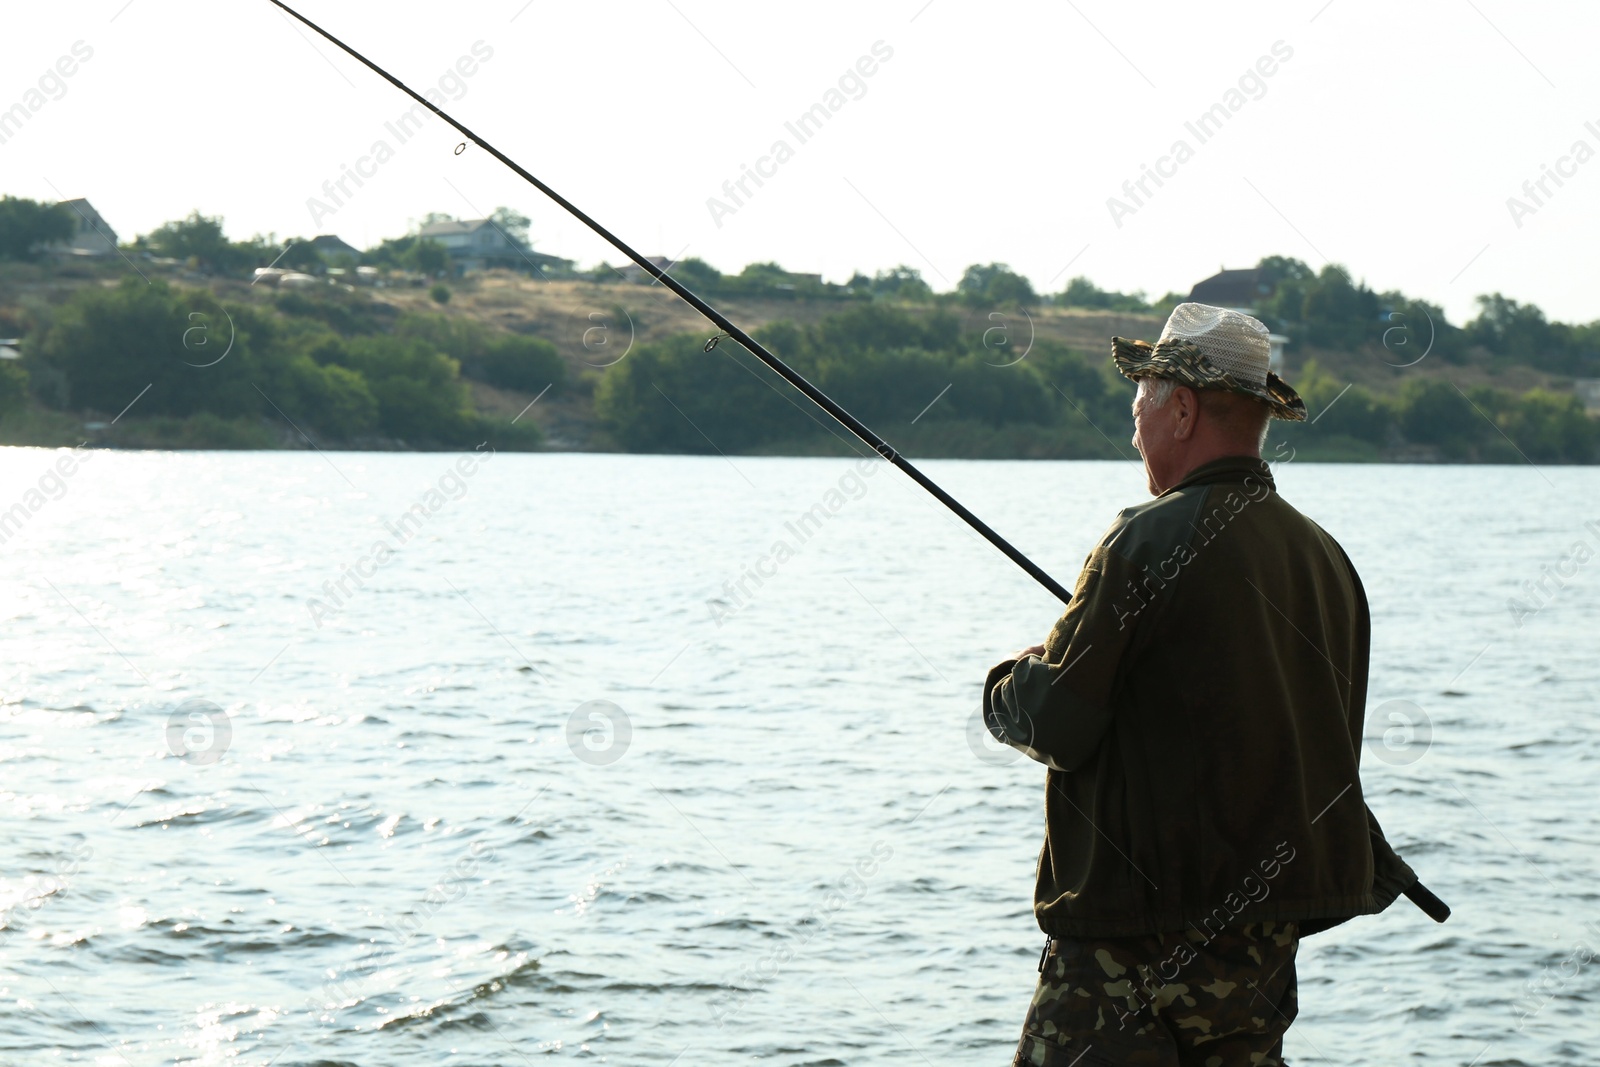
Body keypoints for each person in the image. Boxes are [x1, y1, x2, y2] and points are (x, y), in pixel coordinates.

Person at [984, 303, 1421, 1066]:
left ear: (1181, 409)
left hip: (1128, 949)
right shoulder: (1327, 560)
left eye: (1140, 407)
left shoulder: (1144, 539)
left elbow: (1058, 723)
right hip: (1257, 954)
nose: (1134, 431)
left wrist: (1009, 685)